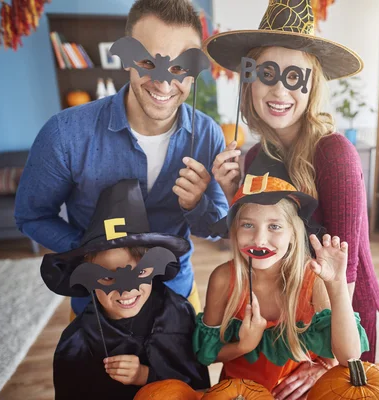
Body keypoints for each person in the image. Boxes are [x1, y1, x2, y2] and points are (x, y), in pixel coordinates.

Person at [205, 0, 379, 369]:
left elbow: (344, 273)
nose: (279, 91)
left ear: (312, 86)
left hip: (345, 329)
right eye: (266, 74)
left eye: (294, 77)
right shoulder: (254, 154)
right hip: (288, 332)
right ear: (248, 79)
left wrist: (323, 362)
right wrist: (232, 196)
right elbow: (257, 245)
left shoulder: (334, 155)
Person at [15, 0, 228, 318]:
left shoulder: (208, 135)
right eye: (147, 60)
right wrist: (93, 254)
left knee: (178, 370)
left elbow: (215, 225)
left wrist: (195, 204)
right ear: (127, 59)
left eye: (180, 67)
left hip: (175, 297)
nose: (164, 81)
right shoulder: (65, 133)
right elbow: (32, 216)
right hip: (98, 306)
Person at [193, 151, 369, 398]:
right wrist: (245, 345)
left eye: (274, 226)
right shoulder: (223, 279)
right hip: (238, 395)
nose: (259, 239)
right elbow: (207, 353)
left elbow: (349, 357)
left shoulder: (312, 278)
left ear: (293, 233)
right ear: (234, 229)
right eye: (247, 225)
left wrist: (337, 284)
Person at [41, 180, 211, 400]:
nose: (126, 291)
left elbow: (198, 388)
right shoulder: (78, 342)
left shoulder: (178, 314)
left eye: (139, 273)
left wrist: (147, 375)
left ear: (153, 266)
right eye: (108, 277)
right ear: (87, 276)